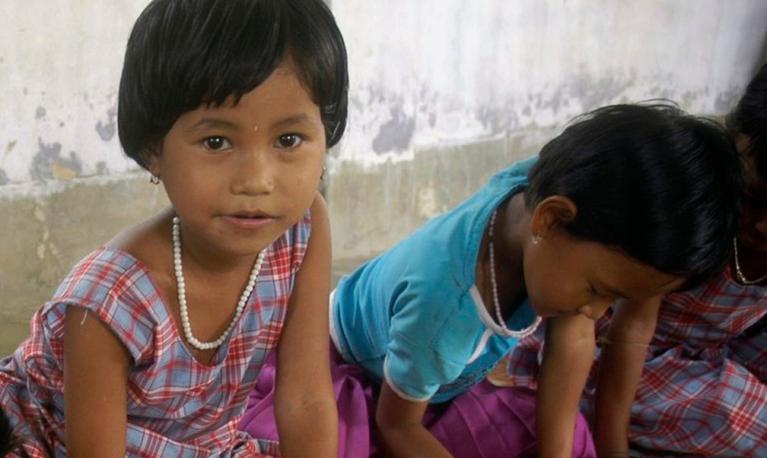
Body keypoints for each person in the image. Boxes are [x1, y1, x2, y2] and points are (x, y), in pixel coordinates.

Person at [242, 102, 743, 457]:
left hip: (439, 385)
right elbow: (395, 425)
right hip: (353, 376)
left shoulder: (542, 191)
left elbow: (572, 328)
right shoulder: (448, 312)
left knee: (569, 442)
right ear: (550, 220)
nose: (597, 313)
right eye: (599, 291)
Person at [0, 0, 348, 456]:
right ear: (153, 150)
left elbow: (305, 399)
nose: (257, 180)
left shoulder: (303, 227)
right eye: (216, 141)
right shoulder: (106, 303)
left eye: (288, 140)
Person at [502, 63, 767, 456]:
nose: (762, 226)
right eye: (753, 198)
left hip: (702, 362)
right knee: (741, 410)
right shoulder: (688, 210)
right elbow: (625, 332)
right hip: (613, 360)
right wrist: (612, 448)